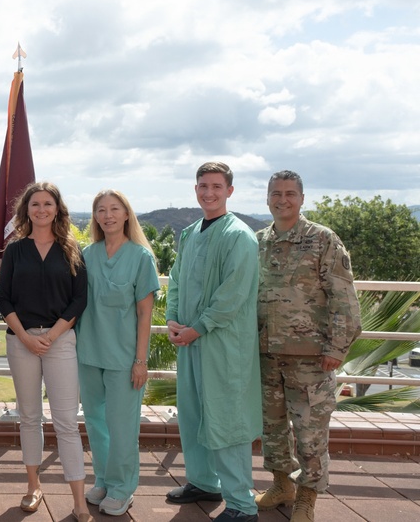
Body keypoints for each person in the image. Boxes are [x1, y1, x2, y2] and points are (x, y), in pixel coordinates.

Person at [254, 170, 362, 522]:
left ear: (301, 198)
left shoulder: (322, 239)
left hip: (312, 359)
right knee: (273, 429)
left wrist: (337, 347)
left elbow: (344, 298)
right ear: (267, 197)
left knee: (310, 434)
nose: (282, 199)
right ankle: (282, 484)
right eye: (275, 193)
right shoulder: (258, 241)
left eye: (289, 193)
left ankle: (307, 497)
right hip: (266, 356)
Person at [165, 162, 261, 522]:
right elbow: (175, 279)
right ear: (195, 189)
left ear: (230, 191)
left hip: (223, 346)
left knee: (227, 420)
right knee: (193, 415)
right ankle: (204, 482)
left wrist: (198, 328)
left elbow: (232, 296)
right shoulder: (190, 233)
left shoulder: (239, 236)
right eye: (203, 185)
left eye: (217, 186)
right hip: (190, 342)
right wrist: (174, 320)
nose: (209, 192)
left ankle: (241, 504)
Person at [0, 182, 89, 522]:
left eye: (47, 203)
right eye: (35, 204)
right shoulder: (15, 250)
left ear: (57, 209)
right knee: (30, 417)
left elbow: (80, 298)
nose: (41, 209)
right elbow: (3, 297)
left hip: (60, 340)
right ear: (27, 210)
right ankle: (33, 486)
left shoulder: (71, 249)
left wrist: (51, 335)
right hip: (21, 340)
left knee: (66, 421)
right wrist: (23, 335)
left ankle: (78, 500)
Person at [75, 189, 159, 517]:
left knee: (122, 425)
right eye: (101, 210)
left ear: (127, 215)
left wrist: (141, 361)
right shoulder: (87, 254)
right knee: (96, 422)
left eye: (114, 209)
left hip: (124, 359)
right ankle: (104, 480)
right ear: (95, 217)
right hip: (89, 353)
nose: (108, 215)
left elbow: (144, 315)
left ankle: (123, 487)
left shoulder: (140, 257)